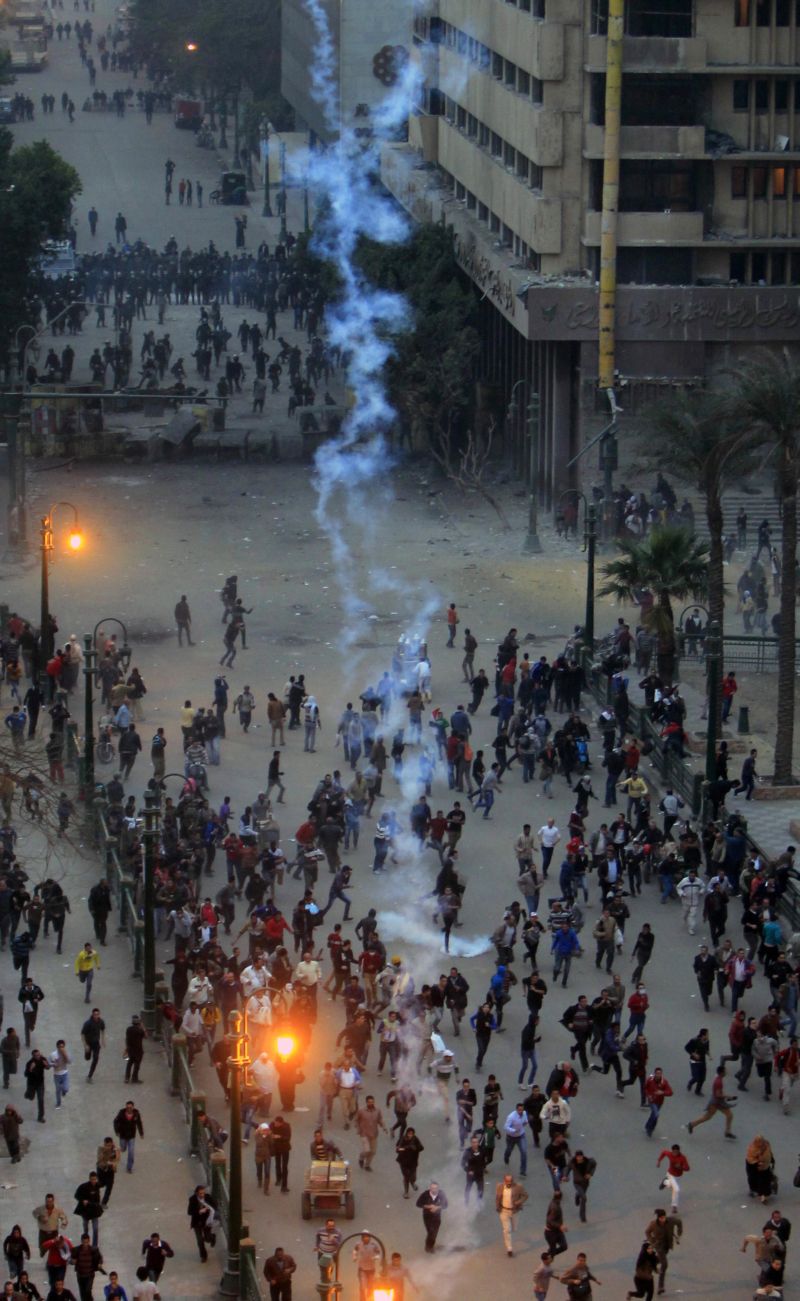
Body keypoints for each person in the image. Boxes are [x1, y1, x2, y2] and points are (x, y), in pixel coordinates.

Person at [686, 1064, 737, 1139]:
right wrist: (728, 1096)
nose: (726, 1072)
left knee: (729, 1115)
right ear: (722, 1073)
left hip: (718, 1102)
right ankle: (691, 1124)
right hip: (715, 1103)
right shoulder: (719, 1082)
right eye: (725, 1071)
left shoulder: (718, 1079)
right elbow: (718, 1094)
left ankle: (727, 1132)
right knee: (707, 1117)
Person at [495, 1170, 528, 1257]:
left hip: (514, 1211)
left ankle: (509, 1239)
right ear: (504, 1180)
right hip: (504, 1211)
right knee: (507, 1230)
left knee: (514, 1229)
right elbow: (497, 1197)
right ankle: (509, 1248)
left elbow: (525, 1195)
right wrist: (497, 1207)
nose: (509, 1183)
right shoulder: (499, 1187)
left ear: (513, 1181)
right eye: (507, 1181)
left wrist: (519, 1202)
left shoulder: (518, 1187)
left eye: (511, 1181)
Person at [656, 1144, 690, 1213]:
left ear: (679, 1151)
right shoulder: (669, 1154)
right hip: (670, 1174)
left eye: (676, 1152)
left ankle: (665, 1182)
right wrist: (659, 1161)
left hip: (678, 1176)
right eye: (674, 1152)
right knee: (676, 1189)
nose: (675, 1154)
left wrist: (681, 1167)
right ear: (672, 1151)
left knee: (672, 1187)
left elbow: (688, 1168)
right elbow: (663, 1152)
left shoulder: (682, 1158)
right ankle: (674, 1206)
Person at [416, 1182, 447, 1252]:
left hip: (437, 1217)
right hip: (427, 1217)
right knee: (431, 1232)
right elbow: (418, 1204)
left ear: (438, 1189)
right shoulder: (425, 1194)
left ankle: (430, 1246)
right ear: (430, 1188)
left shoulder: (441, 1194)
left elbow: (446, 1205)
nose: (434, 1190)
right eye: (432, 1188)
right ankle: (428, 1247)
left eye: (436, 1188)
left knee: (434, 1233)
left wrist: (437, 1207)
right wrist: (428, 1206)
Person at [113, 1099, 143, 1171]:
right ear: (125, 1107)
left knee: (131, 1152)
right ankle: (117, 1151)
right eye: (127, 1107)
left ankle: (129, 1167)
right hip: (123, 1135)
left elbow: (139, 1123)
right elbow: (115, 1121)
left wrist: (141, 1133)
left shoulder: (136, 1113)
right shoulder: (121, 1113)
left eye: (130, 1107)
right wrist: (117, 1131)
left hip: (131, 1136)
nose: (129, 1109)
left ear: (133, 1107)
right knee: (123, 1149)